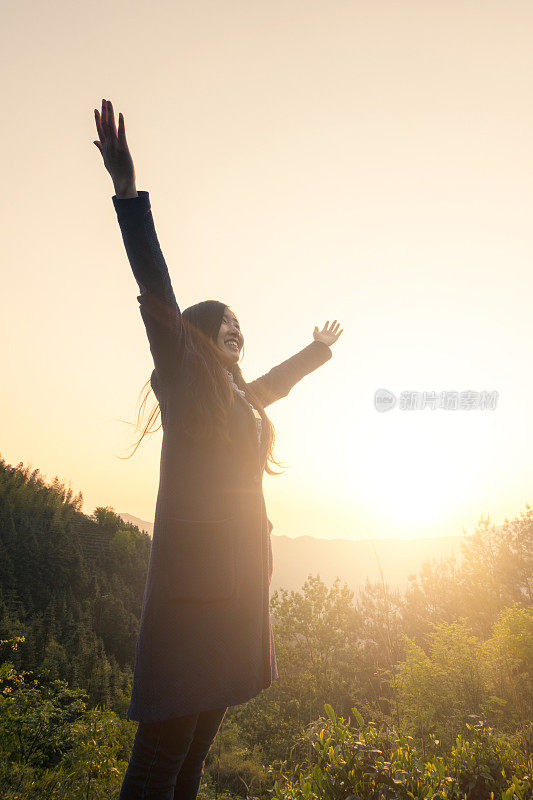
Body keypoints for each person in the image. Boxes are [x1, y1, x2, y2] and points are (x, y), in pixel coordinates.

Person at [93, 98, 343, 800]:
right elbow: (155, 286)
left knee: (198, 747)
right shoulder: (185, 378)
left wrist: (315, 351)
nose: (235, 330)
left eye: (240, 324)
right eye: (223, 324)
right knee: (161, 755)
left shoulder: (238, 399)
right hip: (193, 596)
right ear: (197, 336)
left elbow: (270, 385)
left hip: (237, 591)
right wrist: (126, 192)